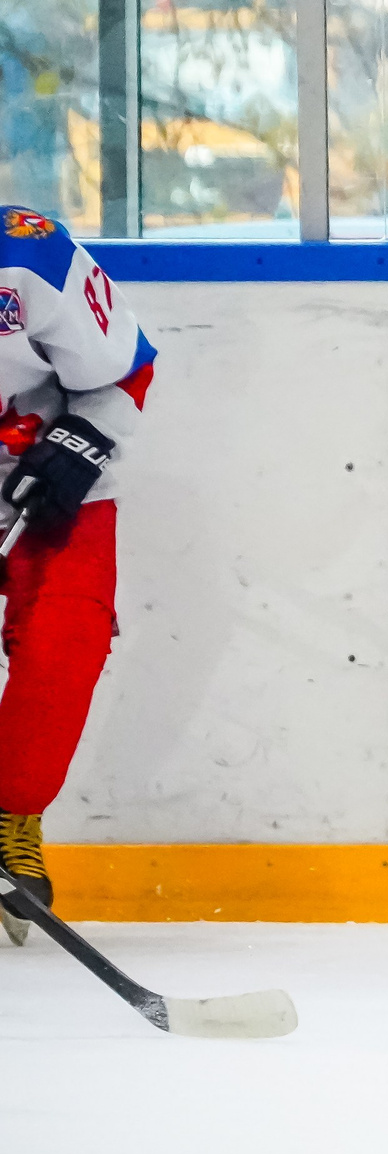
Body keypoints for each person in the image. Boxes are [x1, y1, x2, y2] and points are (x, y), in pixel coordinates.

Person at [0, 204, 157, 946]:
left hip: (43, 484)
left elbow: (126, 369)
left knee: (68, 637)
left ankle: (10, 815)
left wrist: (80, 440)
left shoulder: (26, 254)